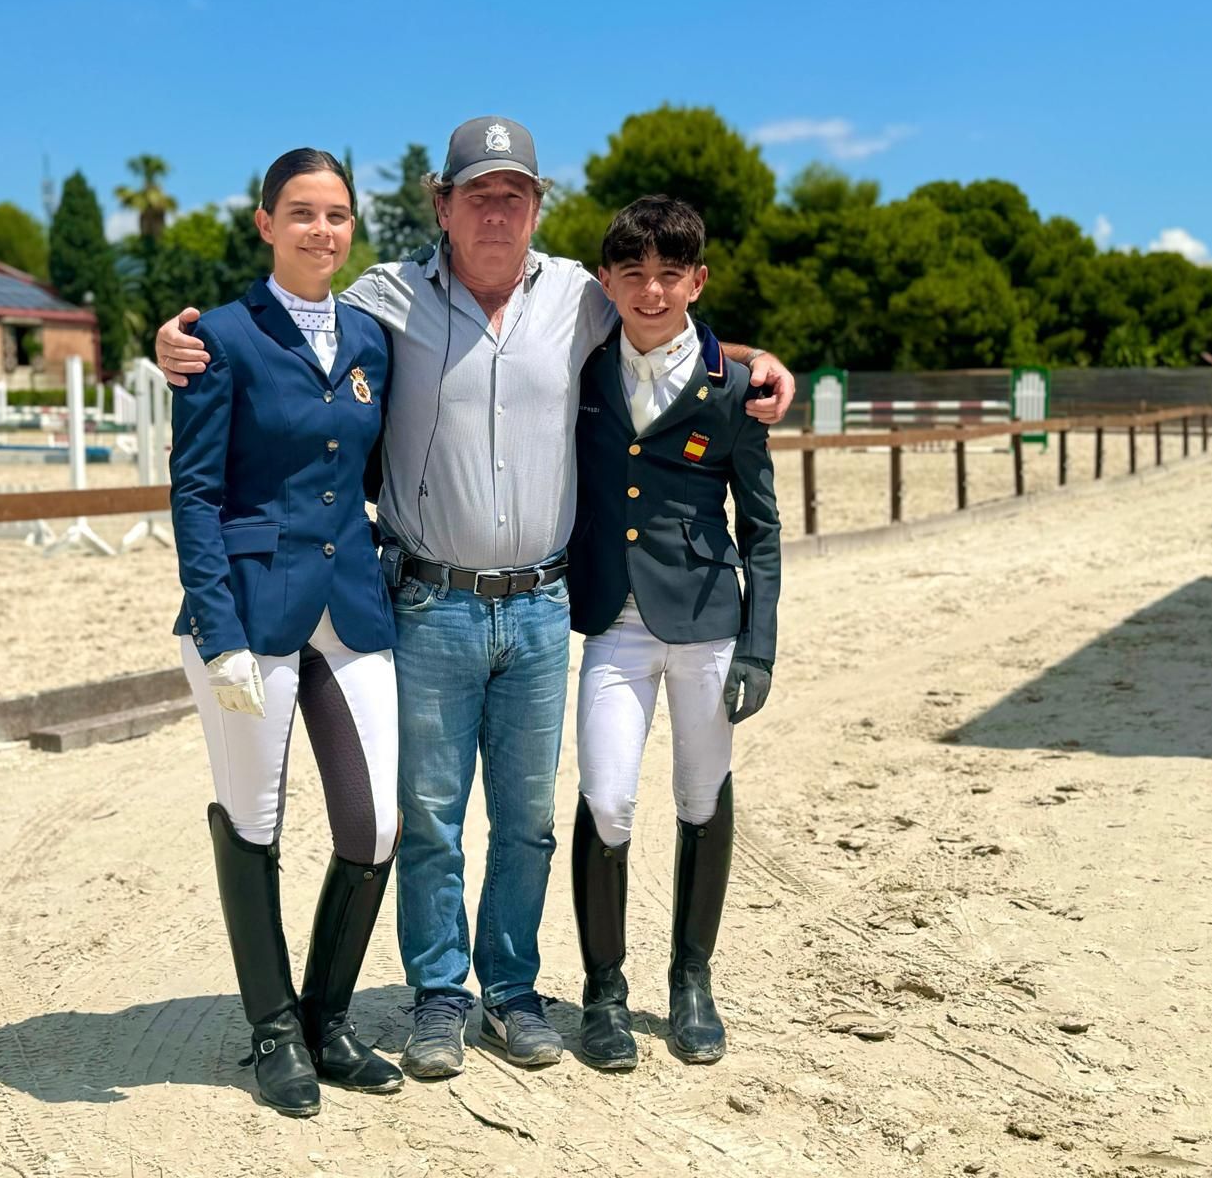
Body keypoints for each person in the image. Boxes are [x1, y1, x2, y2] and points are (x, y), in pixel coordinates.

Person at [157, 117, 797, 1078]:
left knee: (530, 819)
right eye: (477, 194)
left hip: (542, 604)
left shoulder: (582, 294)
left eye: (516, 194)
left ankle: (513, 991)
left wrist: (757, 362)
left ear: (538, 206)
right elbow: (286, 317)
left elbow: (662, 323)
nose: (497, 211)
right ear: (443, 205)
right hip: (426, 601)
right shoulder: (386, 298)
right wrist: (175, 336)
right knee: (429, 814)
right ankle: (439, 995)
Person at [169, 148, 402, 1117]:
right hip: (250, 615)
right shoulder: (218, 338)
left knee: (375, 824)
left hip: (349, 606)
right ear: (264, 224)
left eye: (338, 214)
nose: (322, 231)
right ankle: (272, 1032)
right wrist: (218, 632)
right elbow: (194, 490)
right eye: (301, 213)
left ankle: (327, 1018)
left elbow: (372, 471)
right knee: (255, 818)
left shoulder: (373, 338)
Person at [565, 195, 781, 1070]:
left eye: (669, 275)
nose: (650, 292)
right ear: (607, 280)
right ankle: (604, 992)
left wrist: (760, 647)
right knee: (607, 797)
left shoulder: (733, 388)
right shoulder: (582, 368)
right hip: (613, 624)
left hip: (705, 624)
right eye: (633, 274)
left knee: (700, 798)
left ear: (698, 281)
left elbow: (761, 525)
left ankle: (692, 981)